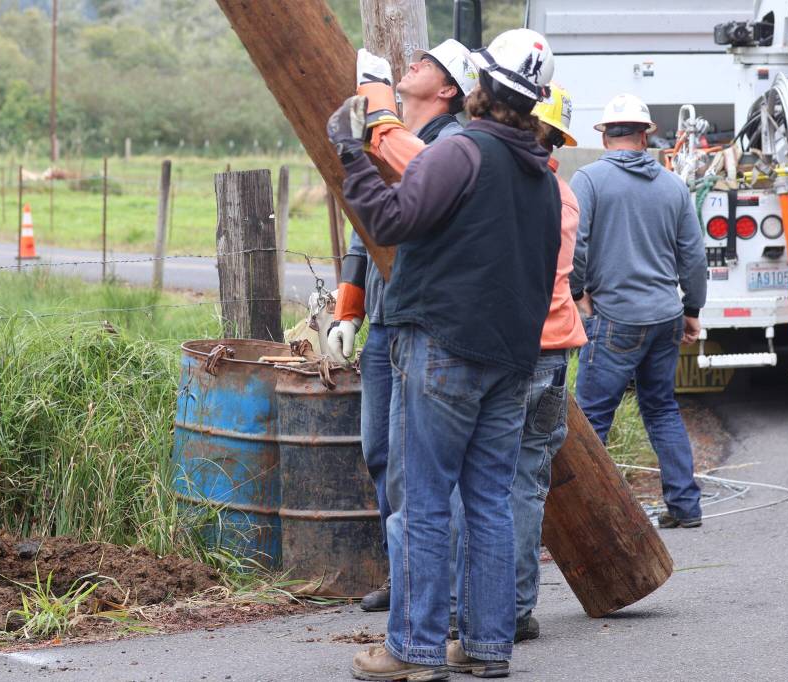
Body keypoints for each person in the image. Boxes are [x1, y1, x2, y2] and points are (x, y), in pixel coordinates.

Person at [327, 28, 558, 681]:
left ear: (479, 89)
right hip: (509, 359)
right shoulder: (538, 172)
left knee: (423, 501)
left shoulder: (462, 150)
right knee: (487, 500)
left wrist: (351, 153)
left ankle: (413, 649)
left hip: (441, 348)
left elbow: (393, 221)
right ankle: (486, 648)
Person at [325, 39, 479, 613]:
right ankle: (406, 573)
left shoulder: (450, 149)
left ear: (448, 90)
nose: (412, 63)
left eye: (427, 63)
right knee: (382, 456)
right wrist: (348, 311)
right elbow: (367, 229)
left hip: (426, 326)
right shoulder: (387, 142)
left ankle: (445, 592)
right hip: (386, 326)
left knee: (429, 469)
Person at [569, 93, 708, 529]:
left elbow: (576, 246)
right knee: (662, 408)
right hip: (665, 315)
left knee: (591, 419)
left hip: (615, 318)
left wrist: (578, 295)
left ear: (605, 135)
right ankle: (686, 507)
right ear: (645, 134)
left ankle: (588, 518)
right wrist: (692, 307)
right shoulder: (673, 185)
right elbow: (694, 257)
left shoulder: (588, 180)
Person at [508, 83, 587, 641]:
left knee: (488, 481)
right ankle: (515, 608)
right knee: (527, 480)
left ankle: (485, 610)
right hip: (555, 349)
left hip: (510, 348)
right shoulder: (562, 193)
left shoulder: (513, 187)